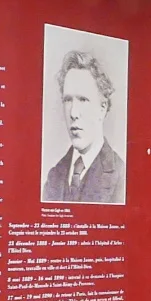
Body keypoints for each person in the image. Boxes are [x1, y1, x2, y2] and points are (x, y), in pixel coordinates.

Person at [42, 50, 125, 204]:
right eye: (68, 100)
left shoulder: (121, 175)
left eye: (83, 100)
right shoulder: (54, 175)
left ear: (102, 107)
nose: (73, 113)